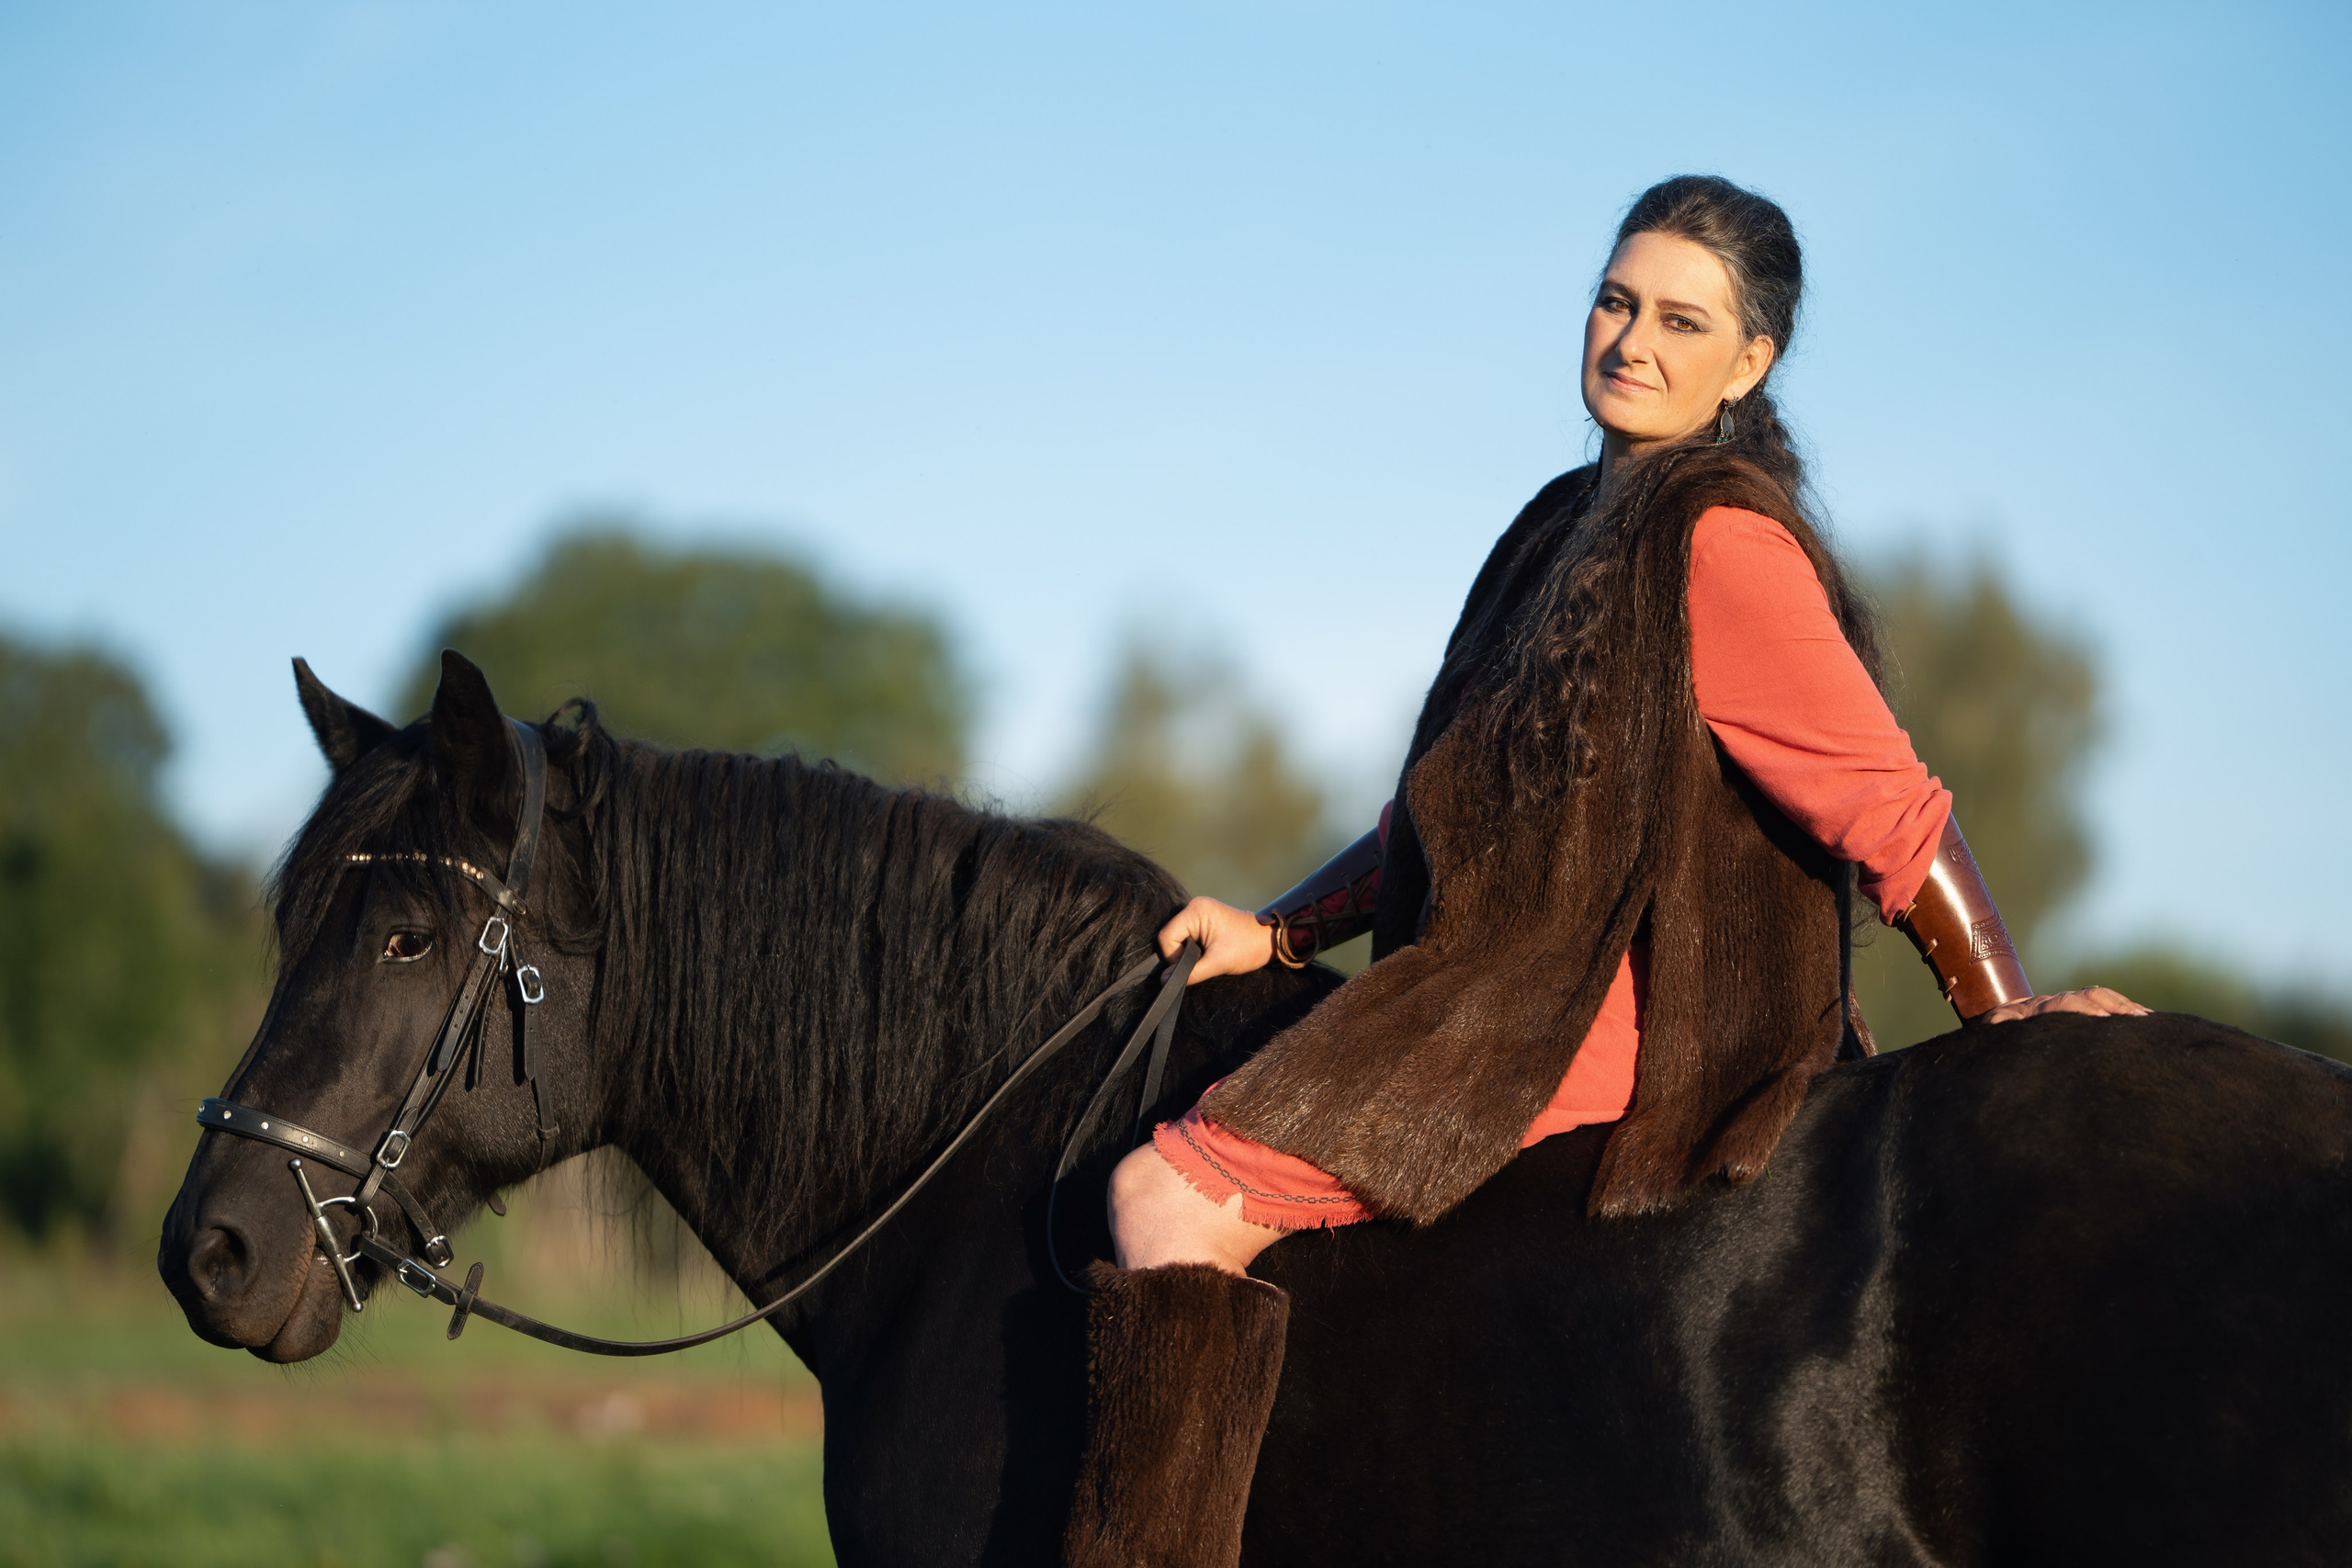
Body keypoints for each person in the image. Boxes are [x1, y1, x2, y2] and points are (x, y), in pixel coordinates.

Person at [1061, 175, 2145, 1568]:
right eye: (1616, 299)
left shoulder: (1720, 543)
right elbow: (1438, 815)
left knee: (1163, 1197)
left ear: (1749, 364)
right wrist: (1276, 934)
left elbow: (1888, 803)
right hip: (1485, 989)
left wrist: (2005, 1014)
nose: (1632, 340)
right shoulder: (1553, 529)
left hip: (1578, 1027)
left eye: (1681, 320)